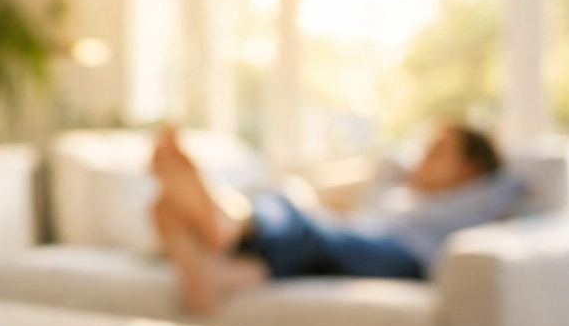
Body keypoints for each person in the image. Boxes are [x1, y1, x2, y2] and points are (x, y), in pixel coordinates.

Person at [150, 122, 525, 314]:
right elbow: (386, 166)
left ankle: (224, 219)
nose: (423, 155)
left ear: (470, 169)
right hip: (355, 237)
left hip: (401, 255)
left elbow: (516, 180)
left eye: (439, 151)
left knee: (298, 220)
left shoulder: (474, 199)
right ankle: (211, 274)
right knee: (166, 206)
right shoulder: (399, 190)